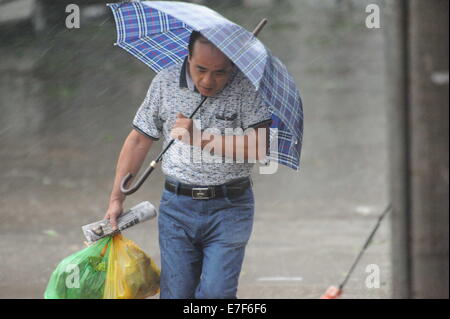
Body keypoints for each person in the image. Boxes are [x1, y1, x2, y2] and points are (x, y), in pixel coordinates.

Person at [103, 31, 272, 299]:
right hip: (177, 207)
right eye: (200, 69)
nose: (208, 80)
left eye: (220, 72)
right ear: (188, 57)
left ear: (233, 66)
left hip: (230, 207)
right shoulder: (165, 82)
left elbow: (258, 148)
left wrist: (199, 138)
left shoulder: (247, 87)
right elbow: (138, 140)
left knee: (217, 295)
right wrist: (116, 199)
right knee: (176, 295)